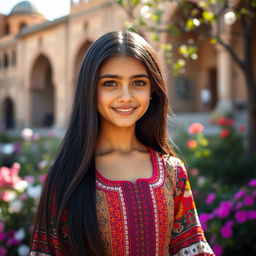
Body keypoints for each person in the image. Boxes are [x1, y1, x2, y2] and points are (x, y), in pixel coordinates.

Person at [29, 31, 215, 256]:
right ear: (91, 90)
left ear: (152, 91)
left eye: (138, 82)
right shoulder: (67, 176)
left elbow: (193, 250)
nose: (126, 96)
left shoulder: (172, 172)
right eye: (110, 83)